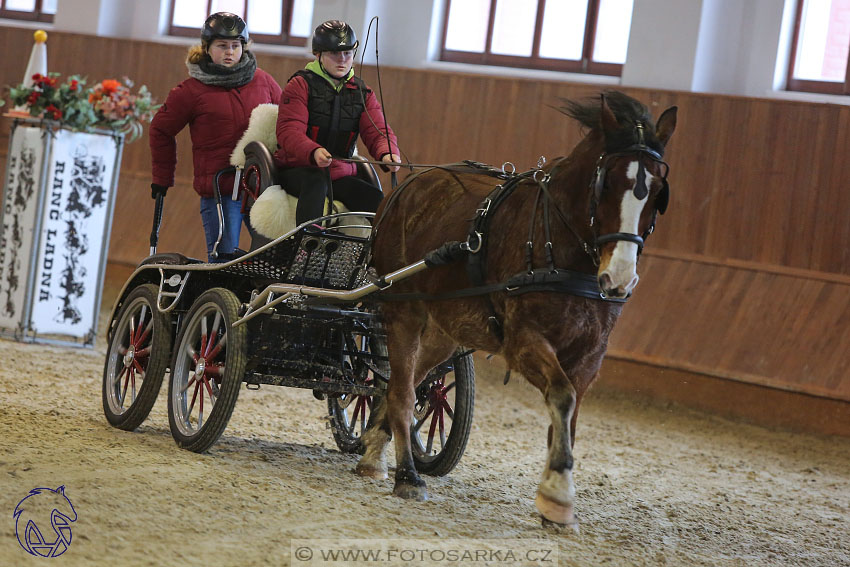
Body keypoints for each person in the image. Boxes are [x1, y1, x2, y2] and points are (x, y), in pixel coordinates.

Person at [149, 12, 282, 261]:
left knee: (275, 256)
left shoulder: (263, 81)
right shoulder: (190, 91)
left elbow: (286, 122)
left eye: (235, 46)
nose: (229, 52)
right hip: (220, 191)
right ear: (207, 48)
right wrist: (162, 177)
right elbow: (160, 129)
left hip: (260, 187)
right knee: (224, 257)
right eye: (222, 46)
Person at [273, 19, 400, 227]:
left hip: (339, 173)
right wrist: (313, 151)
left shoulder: (363, 92)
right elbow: (288, 131)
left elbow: (377, 131)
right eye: (334, 54)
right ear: (318, 55)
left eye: (347, 54)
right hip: (298, 170)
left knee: (375, 198)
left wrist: (387, 152)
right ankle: (307, 242)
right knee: (316, 182)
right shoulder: (300, 85)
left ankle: (375, 252)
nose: (342, 60)